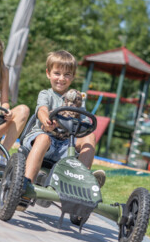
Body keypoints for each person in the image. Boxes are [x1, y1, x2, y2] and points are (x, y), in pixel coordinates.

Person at [22, 50, 106, 187]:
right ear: (48, 74)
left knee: (90, 137)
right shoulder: (46, 94)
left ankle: (82, 179)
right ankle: (26, 183)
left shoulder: (78, 99)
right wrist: (46, 121)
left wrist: (84, 127)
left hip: (66, 145)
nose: (61, 78)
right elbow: (41, 110)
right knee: (44, 138)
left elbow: (83, 120)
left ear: (72, 77)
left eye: (67, 75)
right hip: (43, 138)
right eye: (57, 73)